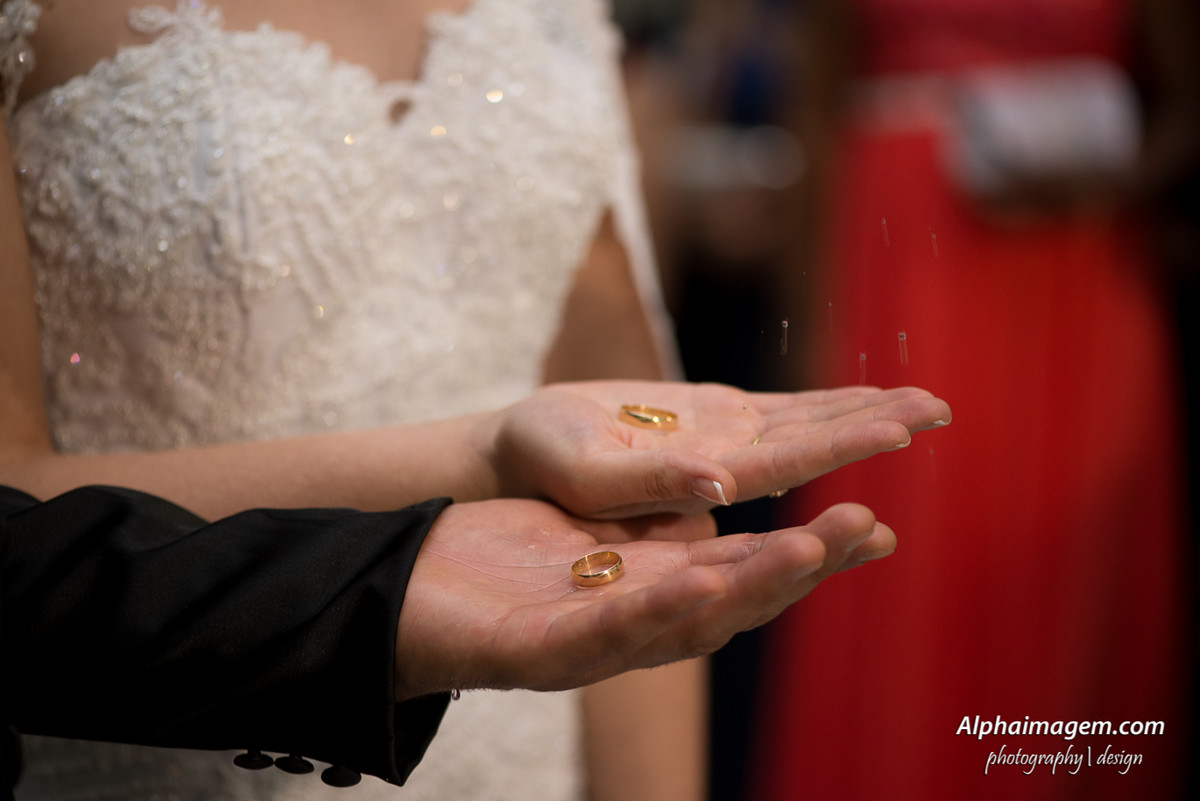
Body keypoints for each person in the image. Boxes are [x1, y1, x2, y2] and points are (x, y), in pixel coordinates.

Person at [0, 4, 953, 799]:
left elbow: (639, 483)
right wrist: (486, 453)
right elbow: (14, 502)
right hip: (165, 725)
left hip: (530, 731)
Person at [753, 0, 1197, 798]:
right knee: (896, 571)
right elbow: (815, 104)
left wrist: (1109, 169)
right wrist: (807, 322)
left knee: (1054, 579)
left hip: (1074, 274)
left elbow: (1184, 108)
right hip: (899, 265)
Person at [0, 480, 900, 799]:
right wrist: (466, 474)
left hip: (545, 682)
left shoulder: (564, 39)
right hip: (196, 672)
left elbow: (657, 520)